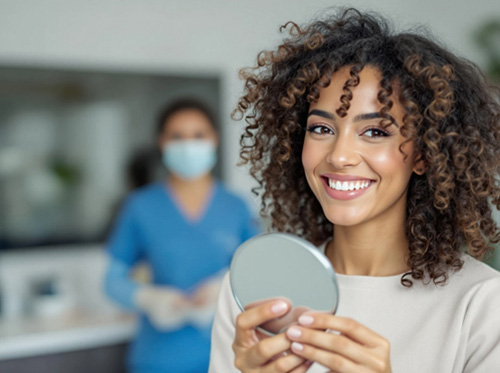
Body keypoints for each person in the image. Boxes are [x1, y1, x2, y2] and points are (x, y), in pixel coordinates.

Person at [209, 8, 500, 373]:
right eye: (321, 129)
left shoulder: (483, 304)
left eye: (376, 132)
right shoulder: (253, 295)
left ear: (424, 155)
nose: (340, 156)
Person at [104, 98, 259, 373]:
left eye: (198, 135)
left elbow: (259, 269)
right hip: (157, 359)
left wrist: (222, 286)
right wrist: (148, 298)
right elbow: (112, 280)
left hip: (227, 355)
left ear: (215, 139)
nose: (189, 145)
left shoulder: (235, 207)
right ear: (162, 142)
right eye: (177, 136)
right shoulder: (140, 206)